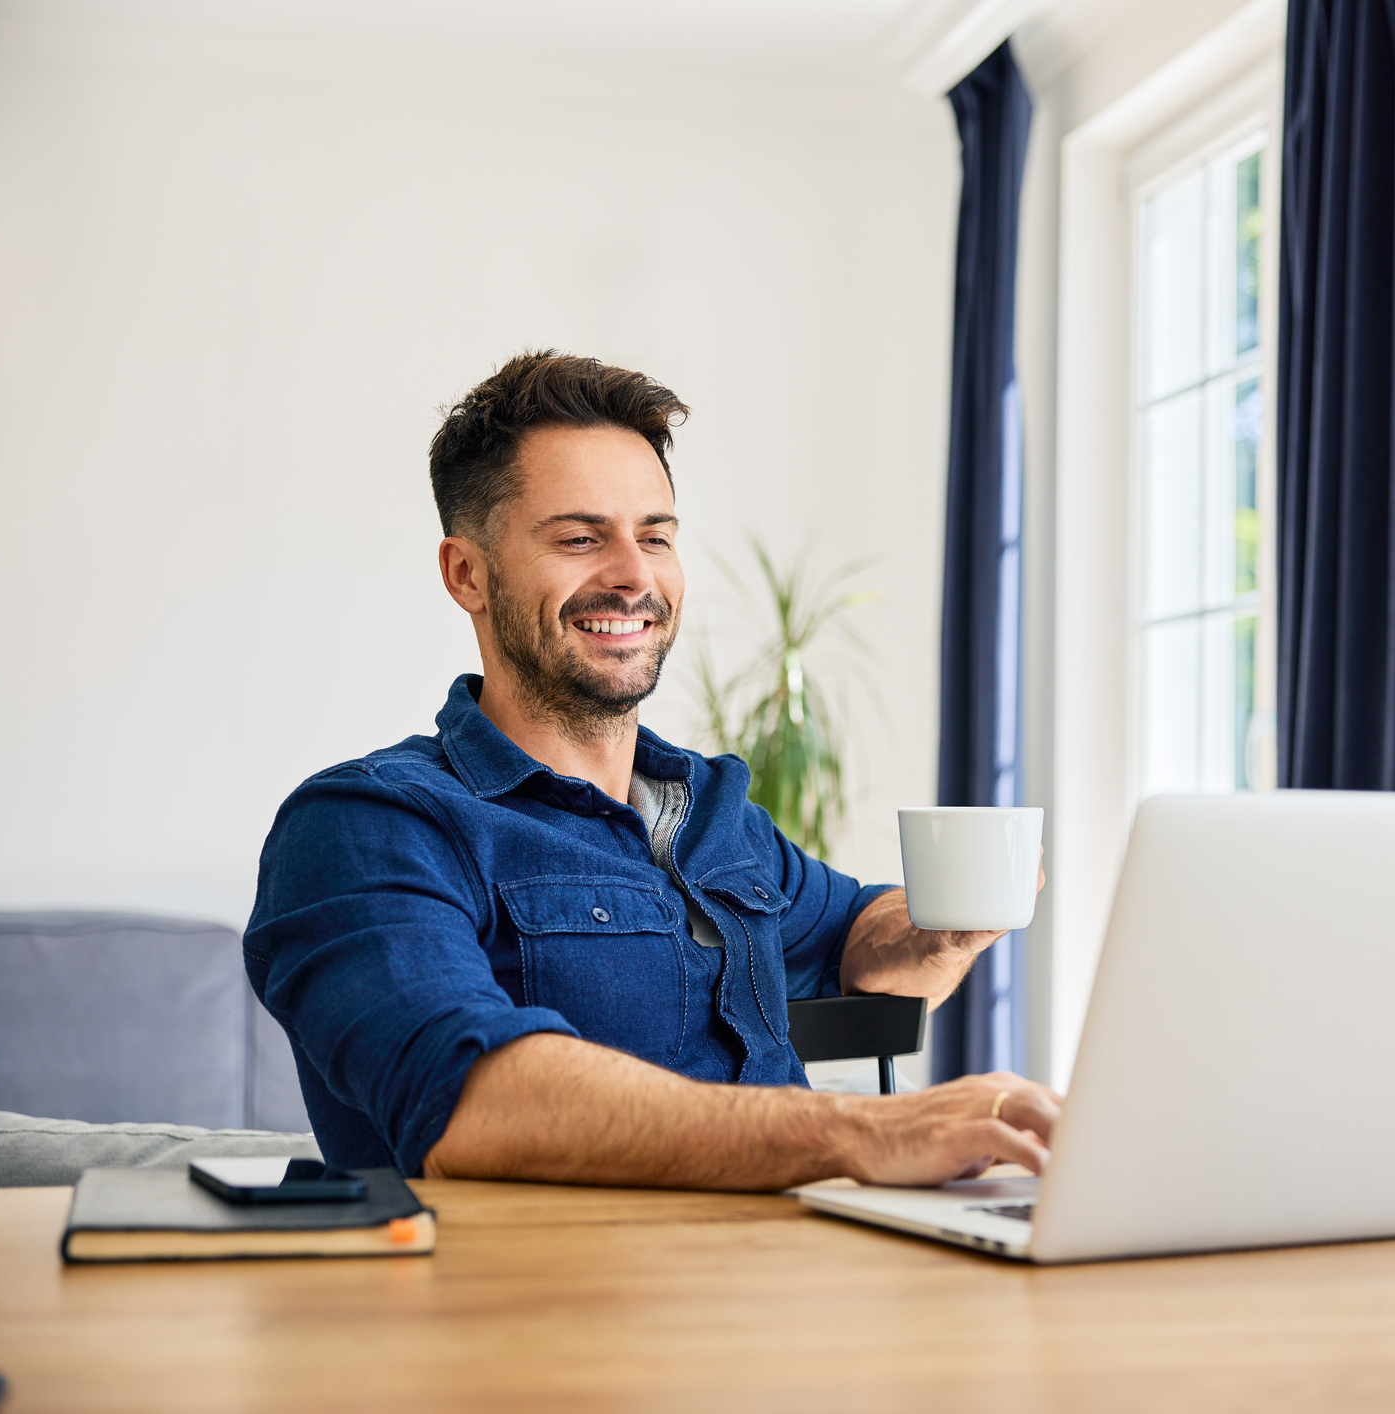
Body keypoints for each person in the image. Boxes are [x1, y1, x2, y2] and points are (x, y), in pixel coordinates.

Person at [245, 351, 1057, 1190]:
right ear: (468, 575)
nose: (634, 575)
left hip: (796, 1280)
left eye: (656, 537)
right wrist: (858, 1128)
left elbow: (859, 948)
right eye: (579, 538)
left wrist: (944, 925)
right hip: (535, 1307)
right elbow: (472, 1104)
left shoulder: (714, 814)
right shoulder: (365, 827)